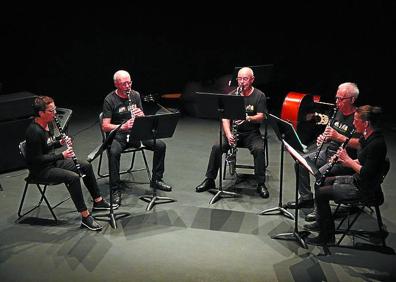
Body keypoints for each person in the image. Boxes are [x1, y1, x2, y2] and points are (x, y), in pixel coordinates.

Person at [25, 96, 116, 231]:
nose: (55, 113)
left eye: (55, 109)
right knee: (73, 178)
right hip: (40, 170)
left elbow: (48, 144)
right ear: (41, 113)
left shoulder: (47, 124)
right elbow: (35, 160)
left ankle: (98, 201)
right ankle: (85, 217)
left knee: (85, 165)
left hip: (52, 163)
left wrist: (59, 142)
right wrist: (61, 155)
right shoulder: (34, 131)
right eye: (51, 111)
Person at [304, 105, 387, 245]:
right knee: (322, 182)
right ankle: (322, 222)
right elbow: (362, 160)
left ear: (366, 123)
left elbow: (366, 172)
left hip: (363, 187)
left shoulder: (377, 143)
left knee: (321, 192)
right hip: (357, 179)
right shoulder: (368, 137)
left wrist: (347, 160)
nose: (353, 123)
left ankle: (327, 236)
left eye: (356, 120)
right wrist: (342, 160)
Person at [285, 82, 361, 221]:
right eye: (336, 98)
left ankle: (319, 211)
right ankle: (306, 198)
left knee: (320, 178)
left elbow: (360, 144)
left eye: (341, 99)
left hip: (345, 159)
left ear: (352, 99)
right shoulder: (337, 112)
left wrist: (339, 137)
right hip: (328, 152)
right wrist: (324, 138)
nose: (337, 102)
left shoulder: (358, 118)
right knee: (300, 163)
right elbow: (330, 134)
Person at [195, 67, 269, 198]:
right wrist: (228, 134)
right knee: (217, 147)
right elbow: (225, 118)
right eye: (239, 79)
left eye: (245, 79)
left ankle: (260, 183)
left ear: (252, 80)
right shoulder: (232, 96)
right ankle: (210, 180)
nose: (241, 82)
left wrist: (248, 118)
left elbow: (261, 116)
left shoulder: (259, 95)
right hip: (233, 133)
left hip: (251, 133)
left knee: (259, 149)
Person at [102, 70, 172, 205]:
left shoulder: (135, 95)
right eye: (124, 84)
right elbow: (105, 126)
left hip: (137, 133)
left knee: (160, 145)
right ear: (116, 84)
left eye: (130, 82)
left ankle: (156, 179)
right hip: (119, 134)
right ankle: (115, 189)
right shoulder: (109, 99)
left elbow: (143, 119)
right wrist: (122, 126)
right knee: (113, 152)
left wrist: (141, 116)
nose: (128, 86)